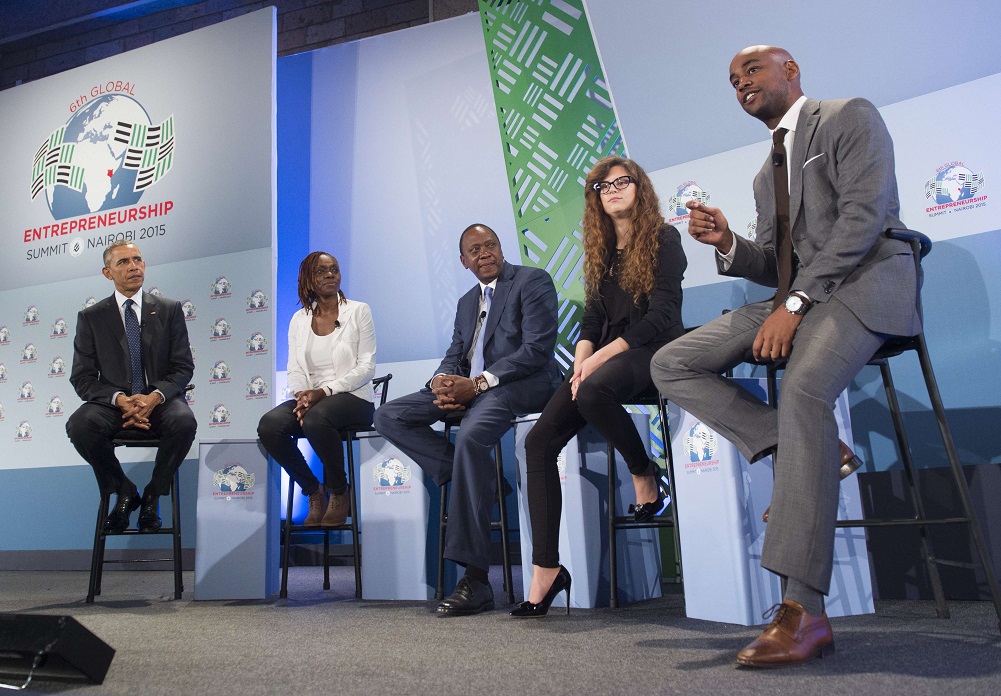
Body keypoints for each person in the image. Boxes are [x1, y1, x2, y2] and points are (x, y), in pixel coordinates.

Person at [650, 46, 920, 667]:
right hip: (802, 296)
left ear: (790, 71)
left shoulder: (848, 116)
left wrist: (794, 304)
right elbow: (776, 264)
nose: (740, 82)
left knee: (802, 388)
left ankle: (803, 612)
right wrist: (729, 244)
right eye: (732, 79)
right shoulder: (761, 173)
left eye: (752, 70)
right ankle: (807, 448)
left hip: (865, 283)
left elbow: (861, 219)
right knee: (672, 363)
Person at [512, 156, 687, 618]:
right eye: (601, 186)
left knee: (591, 391)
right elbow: (592, 319)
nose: (611, 190)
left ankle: (644, 470)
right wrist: (582, 359)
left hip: (656, 351)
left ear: (639, 188)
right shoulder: (601, 250)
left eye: (620, 182)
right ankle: (546, 571)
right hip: (609, 360)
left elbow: (662, 316)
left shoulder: (665, 239)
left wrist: (601, 359)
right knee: (538, 442)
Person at [375, 223, 561, 616]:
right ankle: (484, 482)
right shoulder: (465, 302)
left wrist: (476, 385)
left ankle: (476, 580)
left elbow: (536, 350)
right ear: (464, 262)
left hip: (521, 383)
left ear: (500, 247)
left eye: (490, 245)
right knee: (390, 415)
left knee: (471, 438)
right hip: (473, 387)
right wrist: (442, 383)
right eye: (474, 250)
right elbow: (456, 351)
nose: (484, 253)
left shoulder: (531, 281)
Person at [67, 241, 196, 532]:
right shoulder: (91, 318)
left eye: (137, 260)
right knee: (80, 425)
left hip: (160, 401)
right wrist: (119, 400)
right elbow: (82, 377)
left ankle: (153, 494)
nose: (133, 266)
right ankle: (124, 489)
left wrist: (154, 396)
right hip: (115, 404)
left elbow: (183, 367)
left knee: (184, 421)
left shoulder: (169, 310)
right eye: (123, 262)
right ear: (107, 272)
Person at [257, 252, 376, 527]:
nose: (331, 275)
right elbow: (295, 368)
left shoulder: (358, 311)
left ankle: (338, 491)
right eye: (322, 271)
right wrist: (302, 396)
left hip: (353, 398)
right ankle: (312, 490)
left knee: (316, 418)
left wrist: (324, 392)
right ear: (309, 279)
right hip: (311, 402)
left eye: (334, 270)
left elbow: (366, 367)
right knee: (270, 426)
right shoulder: (299, 319)